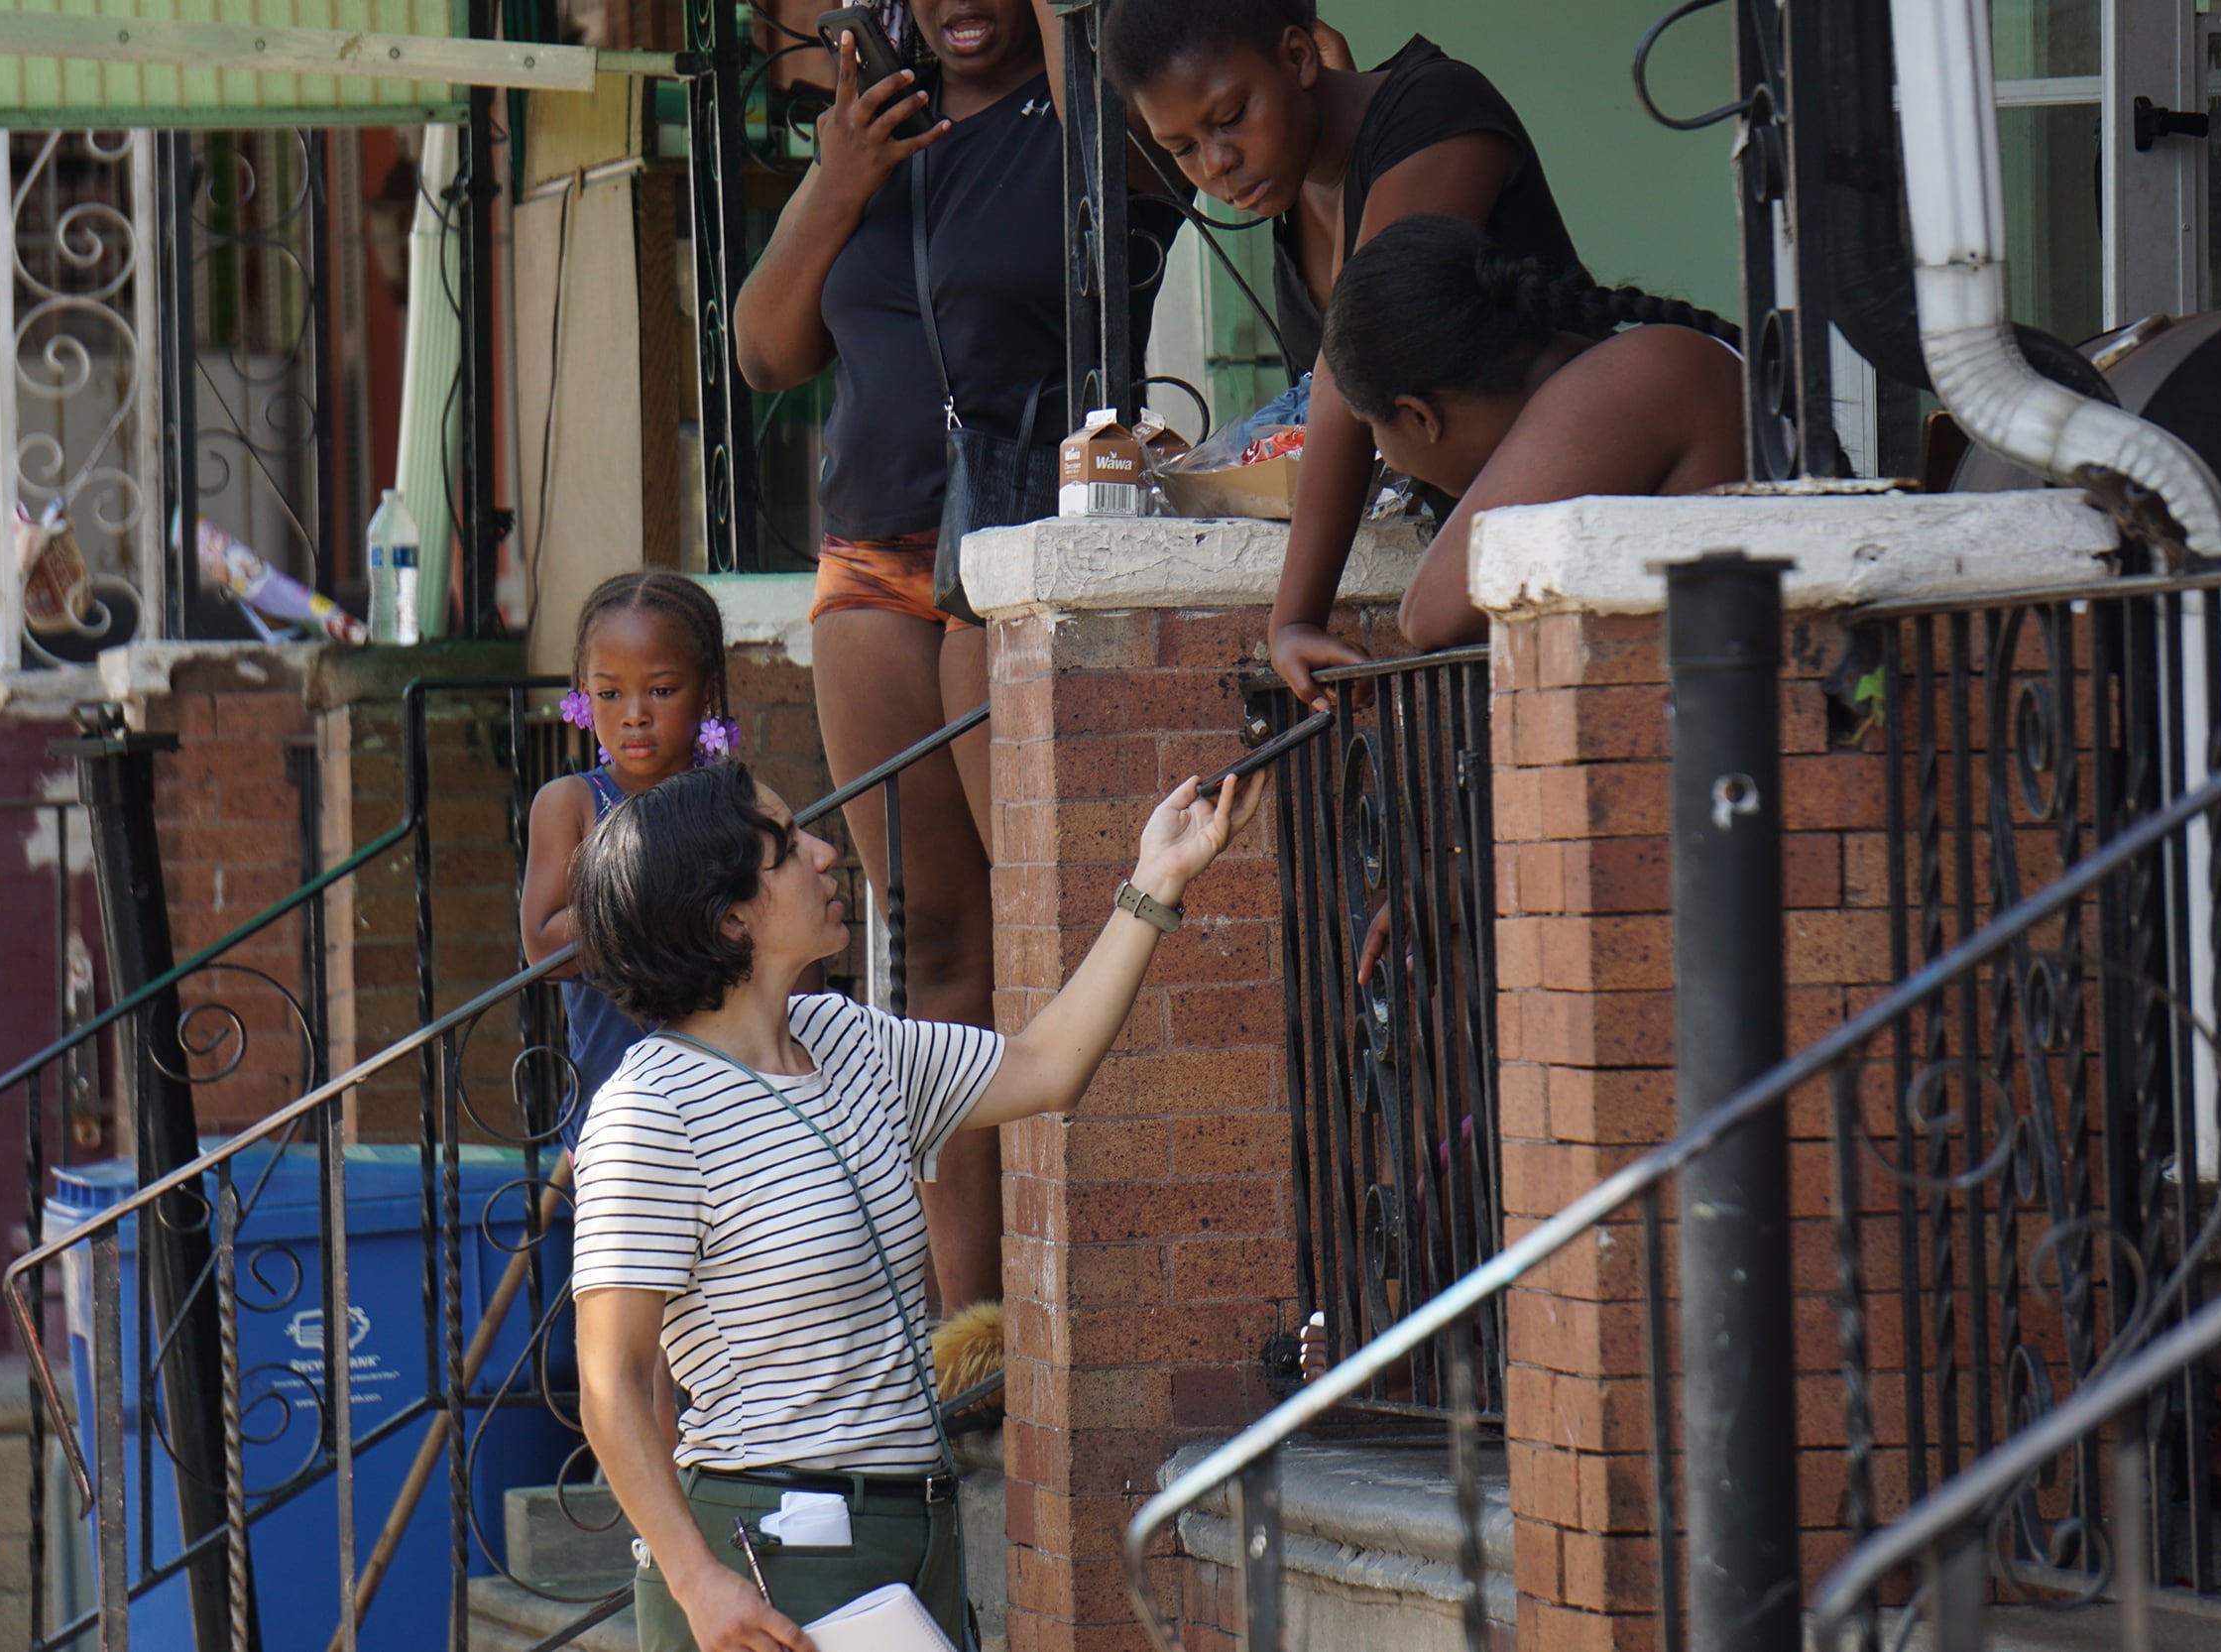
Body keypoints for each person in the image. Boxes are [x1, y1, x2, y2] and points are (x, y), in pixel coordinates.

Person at [568, 763, 1263, 1652]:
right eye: (787, 849)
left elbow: (1048, 1065)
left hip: (918, 1536)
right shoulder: (649, 1111)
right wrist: (696, 1580)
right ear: (729, 916)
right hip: (766, 1559)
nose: (827, 856)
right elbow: (611, 1386)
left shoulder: (849, 1039)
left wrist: (1157, 880)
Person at [733, 0, 1174, 1320]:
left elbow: (1135, 188)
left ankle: (1081, 1305)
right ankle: (967, 1327)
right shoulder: (880, 137)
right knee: (930, 946)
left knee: (1039, 919)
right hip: (871, 558)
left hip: (1025, 544)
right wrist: (840, 178)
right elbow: (766, 350)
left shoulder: (1089, 120)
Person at [1102, 0, 1583, 710]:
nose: (1217, 164)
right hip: (1484, 542)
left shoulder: (1435, 111)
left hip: (1581, 480)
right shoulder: (1295, 194)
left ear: (1298, 58)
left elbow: (1343, 376)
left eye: (1230, 116)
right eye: (1181, 149)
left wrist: (1294, 617)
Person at [1320, 215, 1746, 650]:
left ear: (1420, 417)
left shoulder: (1634, 375)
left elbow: (1432, 614)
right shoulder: (1629, 368)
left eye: (1369, 426)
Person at [520, 570, 741, 1153]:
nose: (634, 714)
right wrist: (671, 900)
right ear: (583, 695)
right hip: (616, 1117)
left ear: (708, 689)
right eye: (610, 693)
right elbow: (544, 948)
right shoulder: (570, 805)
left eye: (662, 690)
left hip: (735, 1102)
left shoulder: (736, 806)